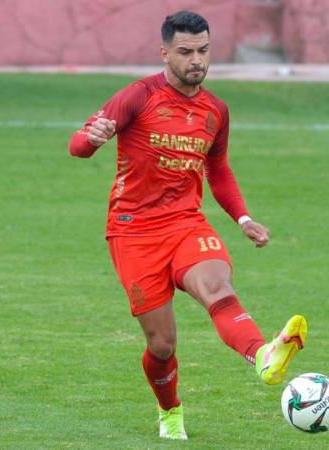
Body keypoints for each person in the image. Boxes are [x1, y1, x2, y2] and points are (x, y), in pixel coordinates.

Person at [68, 10, 307, 441]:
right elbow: (77, 146)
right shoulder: (137, 97)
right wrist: (94, 137)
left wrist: (244, 218)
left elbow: (218, 171)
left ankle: (264, 354)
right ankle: (170, 410)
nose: (196, 60)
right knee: (162, 346)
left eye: (203, 50)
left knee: (219, 287)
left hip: (185, 223)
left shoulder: (216, 110)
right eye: (185, 52)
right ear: (164, 53)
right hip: (133, 232)